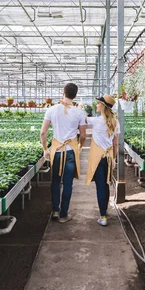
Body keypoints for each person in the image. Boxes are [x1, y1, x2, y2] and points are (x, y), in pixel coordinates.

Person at [40, 83, 87, 223]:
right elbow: (83, 135)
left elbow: (43, 132)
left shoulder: (52, 110)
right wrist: (80, 146)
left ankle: (55, 210)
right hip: (71, 151)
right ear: (75, 95)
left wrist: (45, 149)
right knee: (68, 183)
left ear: (63, 93)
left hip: (57, 151)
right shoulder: (79, 112)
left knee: (55, 181)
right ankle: (64, 215)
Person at [85, 94, 120, 226]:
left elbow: (81, 119)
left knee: (100, 186)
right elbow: (115, 144)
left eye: (99, 103)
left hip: (98, 158)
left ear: (104, 107)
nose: (97, 105)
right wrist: (114, 159)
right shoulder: (115, 122)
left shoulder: (96, 121)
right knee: (106, 184)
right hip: (109, 158)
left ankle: (103, 216)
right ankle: (104, 212)